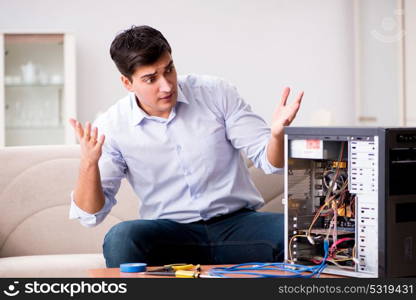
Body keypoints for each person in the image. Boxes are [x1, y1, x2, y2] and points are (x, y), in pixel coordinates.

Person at [69, 25, 303, 267]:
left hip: (237, 226)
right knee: (121, 238)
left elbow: (271, 162)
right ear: (127, 83)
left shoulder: (215, 93)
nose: (167, 86)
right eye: (151, 78)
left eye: (169, 69)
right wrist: (88, 164)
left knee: (300, 233)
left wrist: (276, 135)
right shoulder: (112, 126)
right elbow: (90, 215)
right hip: (171, 235)